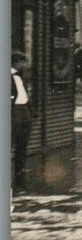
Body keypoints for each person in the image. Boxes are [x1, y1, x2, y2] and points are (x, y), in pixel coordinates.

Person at [12, 52, 32, 188]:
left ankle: (20, 167)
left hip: (23, 110)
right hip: (14, 111)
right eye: (23, 62)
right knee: (12, 138)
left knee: (23, 140)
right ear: (17, 62)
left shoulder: (19, 77)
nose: (25, 65)